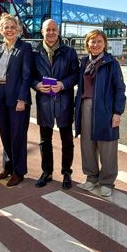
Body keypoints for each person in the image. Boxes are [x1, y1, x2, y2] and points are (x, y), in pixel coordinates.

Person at [74, 29, 126, 197]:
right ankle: (91, 177)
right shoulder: (83, 62)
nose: (95, 45)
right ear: (87, 44)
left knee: (107, 147)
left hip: (105, 109)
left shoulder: (112, 63)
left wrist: (117, 112)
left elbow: (119, 89)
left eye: (99, 42)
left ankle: (107, 181)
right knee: (87, 145)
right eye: (92, 41)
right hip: (85, 107)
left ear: (105, 44)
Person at [32, 19, 79, 189]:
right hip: (44, 101)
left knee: (67, 140)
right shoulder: (34, 53)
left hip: (64, 101)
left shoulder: (70, 52)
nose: (51, 32)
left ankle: (66, 172)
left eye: (54, 29)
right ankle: (47, 172)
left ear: (58, 31)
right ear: (42, 32)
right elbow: (29, 75)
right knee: (45, 140)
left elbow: (76, 75)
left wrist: (63, 84)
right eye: (48, 30)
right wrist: (36, 84)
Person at [0, 13, 34, 187]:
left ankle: (19, 171)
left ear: (17, 29)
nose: (9, 30)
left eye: (12, 27)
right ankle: (8, 167)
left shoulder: (25, 48)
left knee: (18, 136)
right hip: (1, 95)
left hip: (17, 97)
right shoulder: (0, 49)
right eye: (6, 27)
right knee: (5, 134)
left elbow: (27, 76)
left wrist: (22, 99)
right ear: (0, 30)